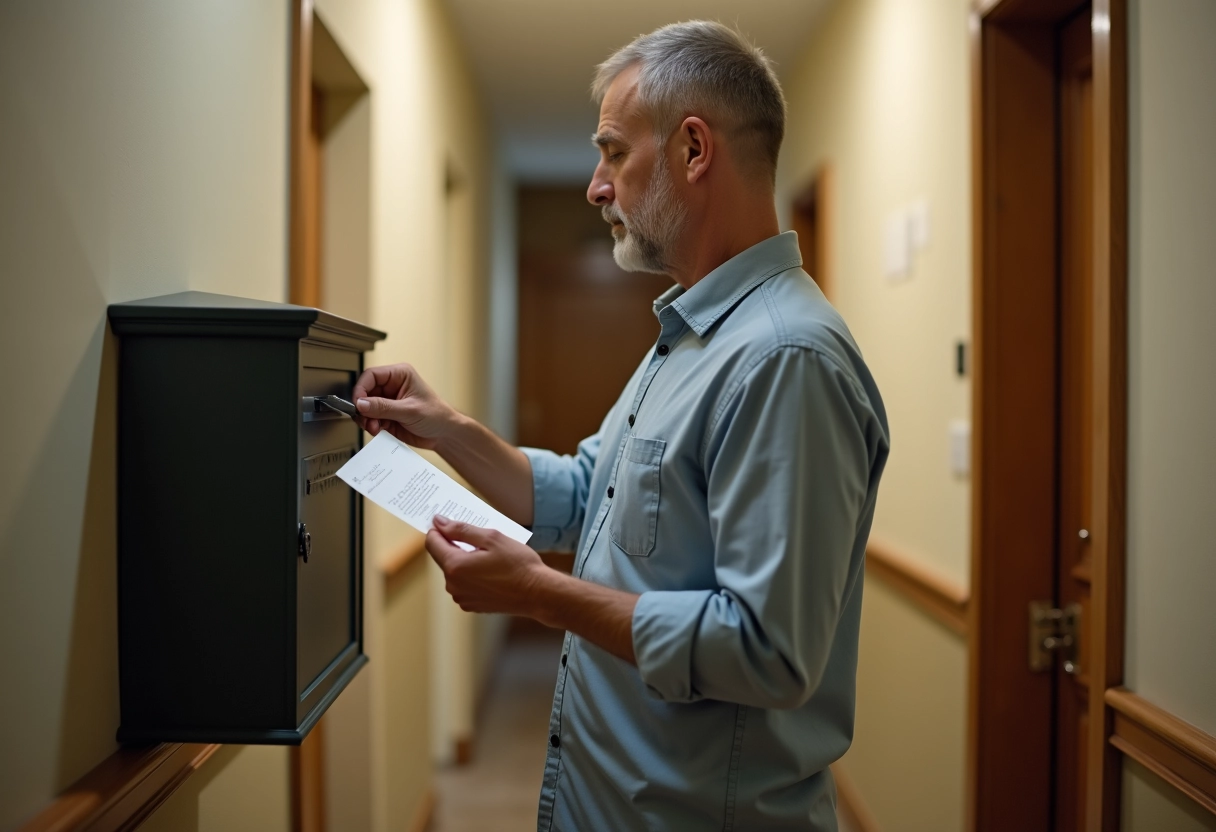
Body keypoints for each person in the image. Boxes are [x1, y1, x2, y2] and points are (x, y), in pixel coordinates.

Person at [353, 20, 890, 832]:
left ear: (693, 151)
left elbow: (766, 651)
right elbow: (584, 492)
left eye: (613, 152)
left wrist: (542, 596)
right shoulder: (690, 338)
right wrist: (449, 428)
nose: (597, 186)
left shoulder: (784, 357)